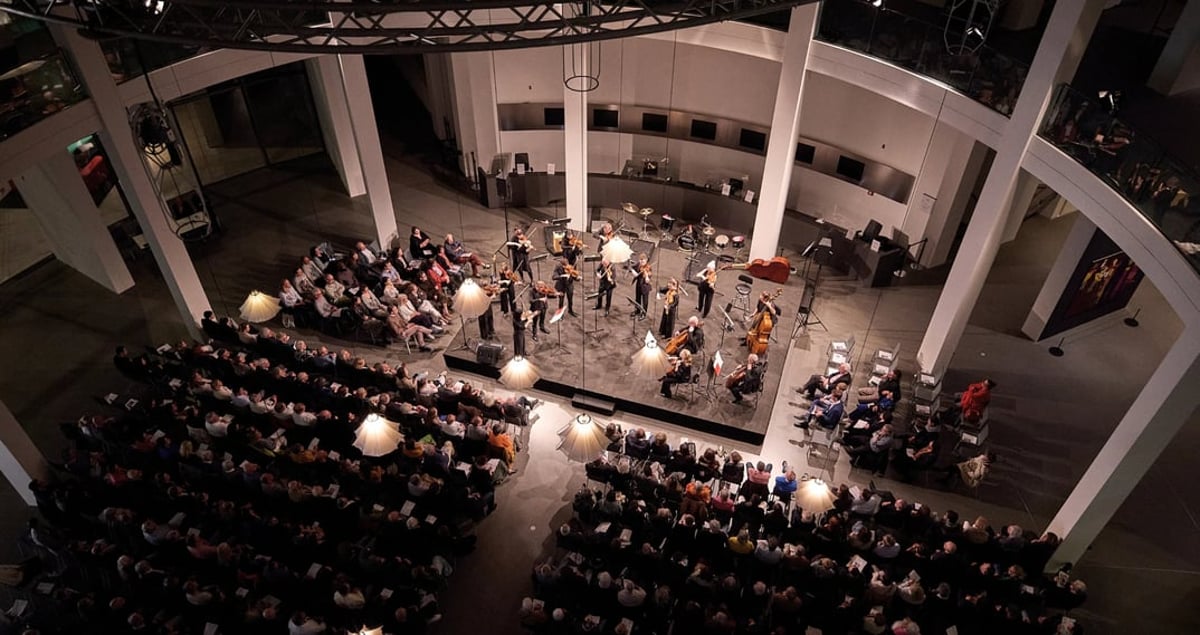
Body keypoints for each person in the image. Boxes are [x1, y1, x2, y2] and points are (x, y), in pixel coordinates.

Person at [632, 254, 652, 320]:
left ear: (646, 260)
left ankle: (644, 313)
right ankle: (637, 311)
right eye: (640, 260)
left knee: (645, 301)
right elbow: (632, 267)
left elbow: (648, 279)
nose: (641, 262)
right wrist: (634, 272)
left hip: (645, 287)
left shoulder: (648, 268)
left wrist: (647, 277)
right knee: (637, 299)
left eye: (643, 261)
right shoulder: (638, 264)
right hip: (638, 285)